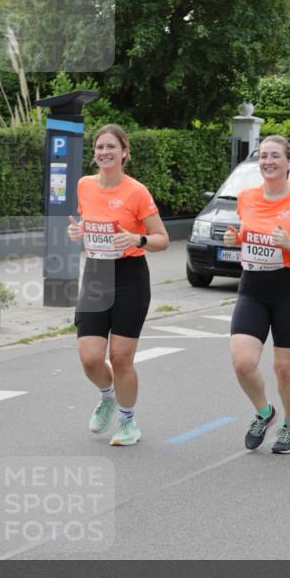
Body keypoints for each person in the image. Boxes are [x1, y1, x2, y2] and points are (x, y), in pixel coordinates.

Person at [67, 125, 169, 446]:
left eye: (111, 147)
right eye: (99, 147)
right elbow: (90, 221)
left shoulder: (136, 191)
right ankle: (108, 396)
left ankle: (128, 421)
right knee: (90, 357)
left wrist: (137, 238)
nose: (104, 153)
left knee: (122, 358)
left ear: (124, 152)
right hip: (97, 274)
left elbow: (161, 239)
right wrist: (80, 232)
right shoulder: (85, 185)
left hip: (129, 276)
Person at [224, 136, 290, 455]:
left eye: (275, 156)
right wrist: (235, 238)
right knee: (243, 363)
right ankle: (265, 412)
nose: (268, 161)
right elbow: (247, 235)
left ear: (289, 162)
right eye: (263, 156)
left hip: (289, 290)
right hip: (252, 287)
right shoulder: (247, 197)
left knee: (284, 369)